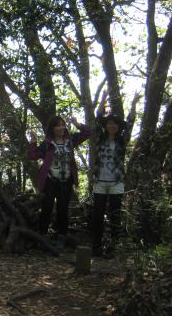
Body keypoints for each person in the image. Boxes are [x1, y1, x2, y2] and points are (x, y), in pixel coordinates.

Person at [91, 91, 139, 257]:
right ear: (106, 126)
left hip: (116, 182)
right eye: (109, 123)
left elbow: (131, 122)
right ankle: (96, 247)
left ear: (118, 127)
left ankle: (113, 247)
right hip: (100, 182)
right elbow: (98, 118)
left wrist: (133, 104)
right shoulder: (100, 138)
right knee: (97, 216)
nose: (112, 126)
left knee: (115, 216)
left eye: (115, 124)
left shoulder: (122, 141)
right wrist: (103, 101)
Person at [28, 116, 91, 238]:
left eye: (63, 125)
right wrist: (33, 141)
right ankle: (42, 235)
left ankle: (62, 235)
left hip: (66, 180)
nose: (61, 127)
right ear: (52, 128)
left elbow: (88, 133)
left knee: (63, 209)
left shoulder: (70, 140)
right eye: (57, 125)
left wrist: (77, 124)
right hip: (50, 181)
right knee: (47, 208)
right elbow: (33, 156)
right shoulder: (47, 144)